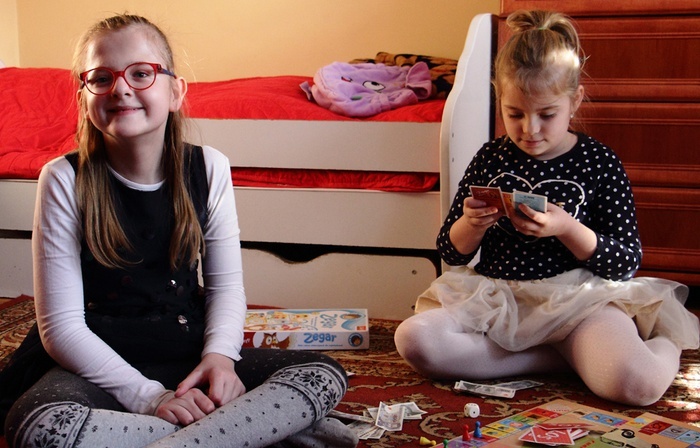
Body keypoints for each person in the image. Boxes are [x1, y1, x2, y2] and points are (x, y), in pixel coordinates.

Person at [1, 14, 357, 448]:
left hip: (186, 348)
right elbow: (62, 328)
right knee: (39, 427)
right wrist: (150, 398)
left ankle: (203, 434)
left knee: (322, 374)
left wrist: (220, 359)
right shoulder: (62, 178)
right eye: (101, 78)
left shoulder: (209, 167)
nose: (120, 88)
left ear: (175, 91)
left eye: (141, 73)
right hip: (98, 363)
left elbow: (226, 287)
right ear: (84, 97)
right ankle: (253, 431)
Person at [394, 10, 699, 407]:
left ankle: (663, 342)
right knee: (415, 340)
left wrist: (567, 228)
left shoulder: (599, 161)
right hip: (498, 299)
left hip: (578, 303)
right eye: (514, 114)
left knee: (637, 385)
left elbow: (625, 262)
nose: (530, 129)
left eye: (547, 114)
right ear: (500, 101)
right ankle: (559, 359)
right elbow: (451, 251)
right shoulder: (490, 157)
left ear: (575, 100)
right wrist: (472, 224)